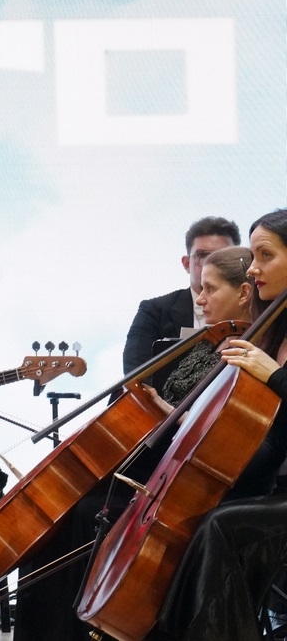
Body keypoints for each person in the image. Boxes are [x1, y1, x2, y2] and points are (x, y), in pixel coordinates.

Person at [147, 208, 287, 641]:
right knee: (205, 517)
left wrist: (276, 377)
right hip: (272, 484)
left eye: (265, 255)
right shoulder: (271, 329)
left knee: (220, 526)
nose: (254, 267)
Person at [124, 216, 239, 371]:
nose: (211, 264)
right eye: (202, 255)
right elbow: (135, 371)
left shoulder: (257, 310)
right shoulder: (154, 311)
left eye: (222, 256)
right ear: (186, 263)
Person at [155, 245, 256, 406]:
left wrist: (164, 408)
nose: (200, 300)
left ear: (244, 293)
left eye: (210, 288)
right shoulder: (211, 340)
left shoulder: (254, 354)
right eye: (202, 288)